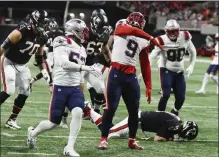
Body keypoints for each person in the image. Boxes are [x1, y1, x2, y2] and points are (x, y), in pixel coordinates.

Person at [26, 18, 101, 157]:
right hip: (61, 86)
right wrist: (87, 67)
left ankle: (69, 147)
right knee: (53, 123)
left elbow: (80, 73)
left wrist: (81, 85)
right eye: (83, 31)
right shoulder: (61, 40)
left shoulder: (82, 49)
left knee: (78, 113)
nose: (85, 34)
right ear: (74, 30)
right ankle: (32, 133)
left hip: (74, 88)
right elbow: (63, 63)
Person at [98, 12, 163, 150]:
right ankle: (103, 139)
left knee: (134, 111)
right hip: (116, 73)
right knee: (110, 108)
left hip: (131, 76)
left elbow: (145, 64)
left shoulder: (143, 41)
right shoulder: (121, 26)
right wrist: (151, 37)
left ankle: (132, 140)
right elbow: (131, 30)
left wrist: (149, 86)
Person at [0, 10, 50, 129]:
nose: (42, 27)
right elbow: (3, 47)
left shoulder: (43, 37)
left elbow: (39, 56)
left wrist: (43, 70)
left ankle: (12, 119)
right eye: (40, 24)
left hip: (23, 65)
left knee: (26, 91)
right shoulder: (21, 31)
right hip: (9, 62)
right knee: (9, 90)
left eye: (44, 24)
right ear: (33, 22)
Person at [149, 19, 197, 116]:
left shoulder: (185, 36)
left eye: (175, 31)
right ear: (166, 31)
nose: (173, 33)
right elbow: (153, 55)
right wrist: (145, 69)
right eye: (170, 31)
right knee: (165, 94)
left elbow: (193, 51)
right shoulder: (162, 40)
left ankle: (174, 112)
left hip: (180, 71)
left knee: (181, 98)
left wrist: (191, 66)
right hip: (167, 69)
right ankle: (160, 116)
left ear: (178, 30)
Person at [84, 104, 199, 142]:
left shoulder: (176, 121)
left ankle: (91, 112)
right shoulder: (173, 124)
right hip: (137, 119)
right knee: (109, 134)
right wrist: (173, 140)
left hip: (139, 120)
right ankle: (89, 110)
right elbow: (158, 138)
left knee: (114, 132)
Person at [83, 9, 112, 114]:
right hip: (79, 66)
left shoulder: (105, 32)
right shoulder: (84, 32)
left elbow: (105, 48)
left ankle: (95, 112)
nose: (102, 31)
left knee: (100, 89)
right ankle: (63, 117)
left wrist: (111, 61)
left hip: (91, 66)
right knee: (75, 91)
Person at [30, 19, 64, 93]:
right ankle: (52, 87)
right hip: (51, 54)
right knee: (49, 71)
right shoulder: (59, 33)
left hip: (53, 54)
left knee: (50, 71)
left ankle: (33, 80)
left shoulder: (47, 34)